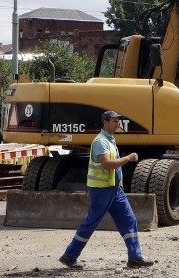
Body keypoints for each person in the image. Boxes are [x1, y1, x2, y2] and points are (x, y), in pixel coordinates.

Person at [59, 110, 154, 269]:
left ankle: (135, 257)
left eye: (118, 121)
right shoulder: (100, 142)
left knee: (129, 220)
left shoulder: (110, 140)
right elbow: (107, 164)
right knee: (90, 224)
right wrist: (128, 158)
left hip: (115, 190)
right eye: (114, 121)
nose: (117, 124)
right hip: (102, 190)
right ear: (105, 122)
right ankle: (69, 256)